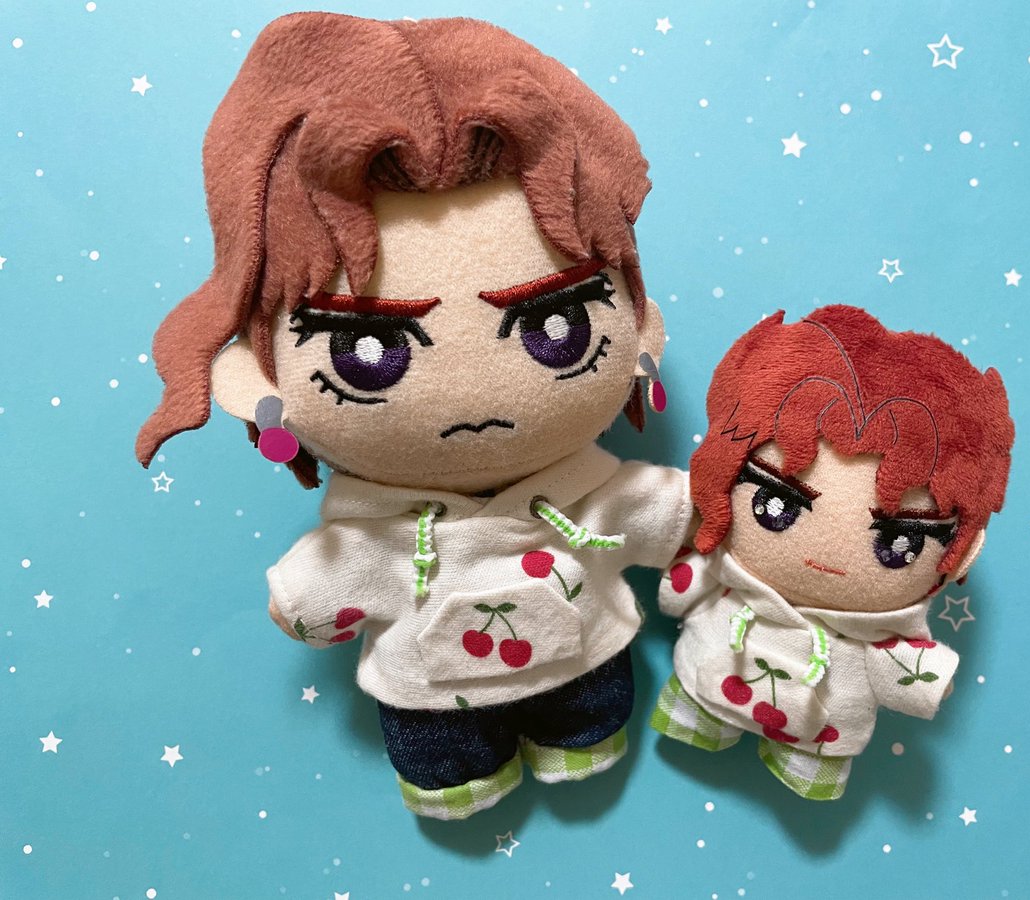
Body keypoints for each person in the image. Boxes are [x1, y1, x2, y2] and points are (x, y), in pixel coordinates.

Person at [136, 13, 689, 820]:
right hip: (431, 703)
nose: (473, 401)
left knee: (590, 730)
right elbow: (332, 581)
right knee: (449, 772)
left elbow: (667, 515)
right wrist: (309, 597)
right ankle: (460, 780)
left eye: (556, 325)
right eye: (366, 351)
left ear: (635, 329)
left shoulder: (587, 498)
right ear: (261, 374)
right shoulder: (378, 533)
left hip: (588, 669)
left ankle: (583, 742)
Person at [652, 305, 1013, 800]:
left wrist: (927, 680)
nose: (825, 559)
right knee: (696, 704)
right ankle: (697, 721)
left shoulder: (875, 638)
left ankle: (804, 770)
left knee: (816, 761)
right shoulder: (727, 575)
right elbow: (681, 586)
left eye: (897, 543)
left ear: (962, 552)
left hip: (823, 732)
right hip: (709, 681)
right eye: (774, 504)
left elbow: (909, 673)